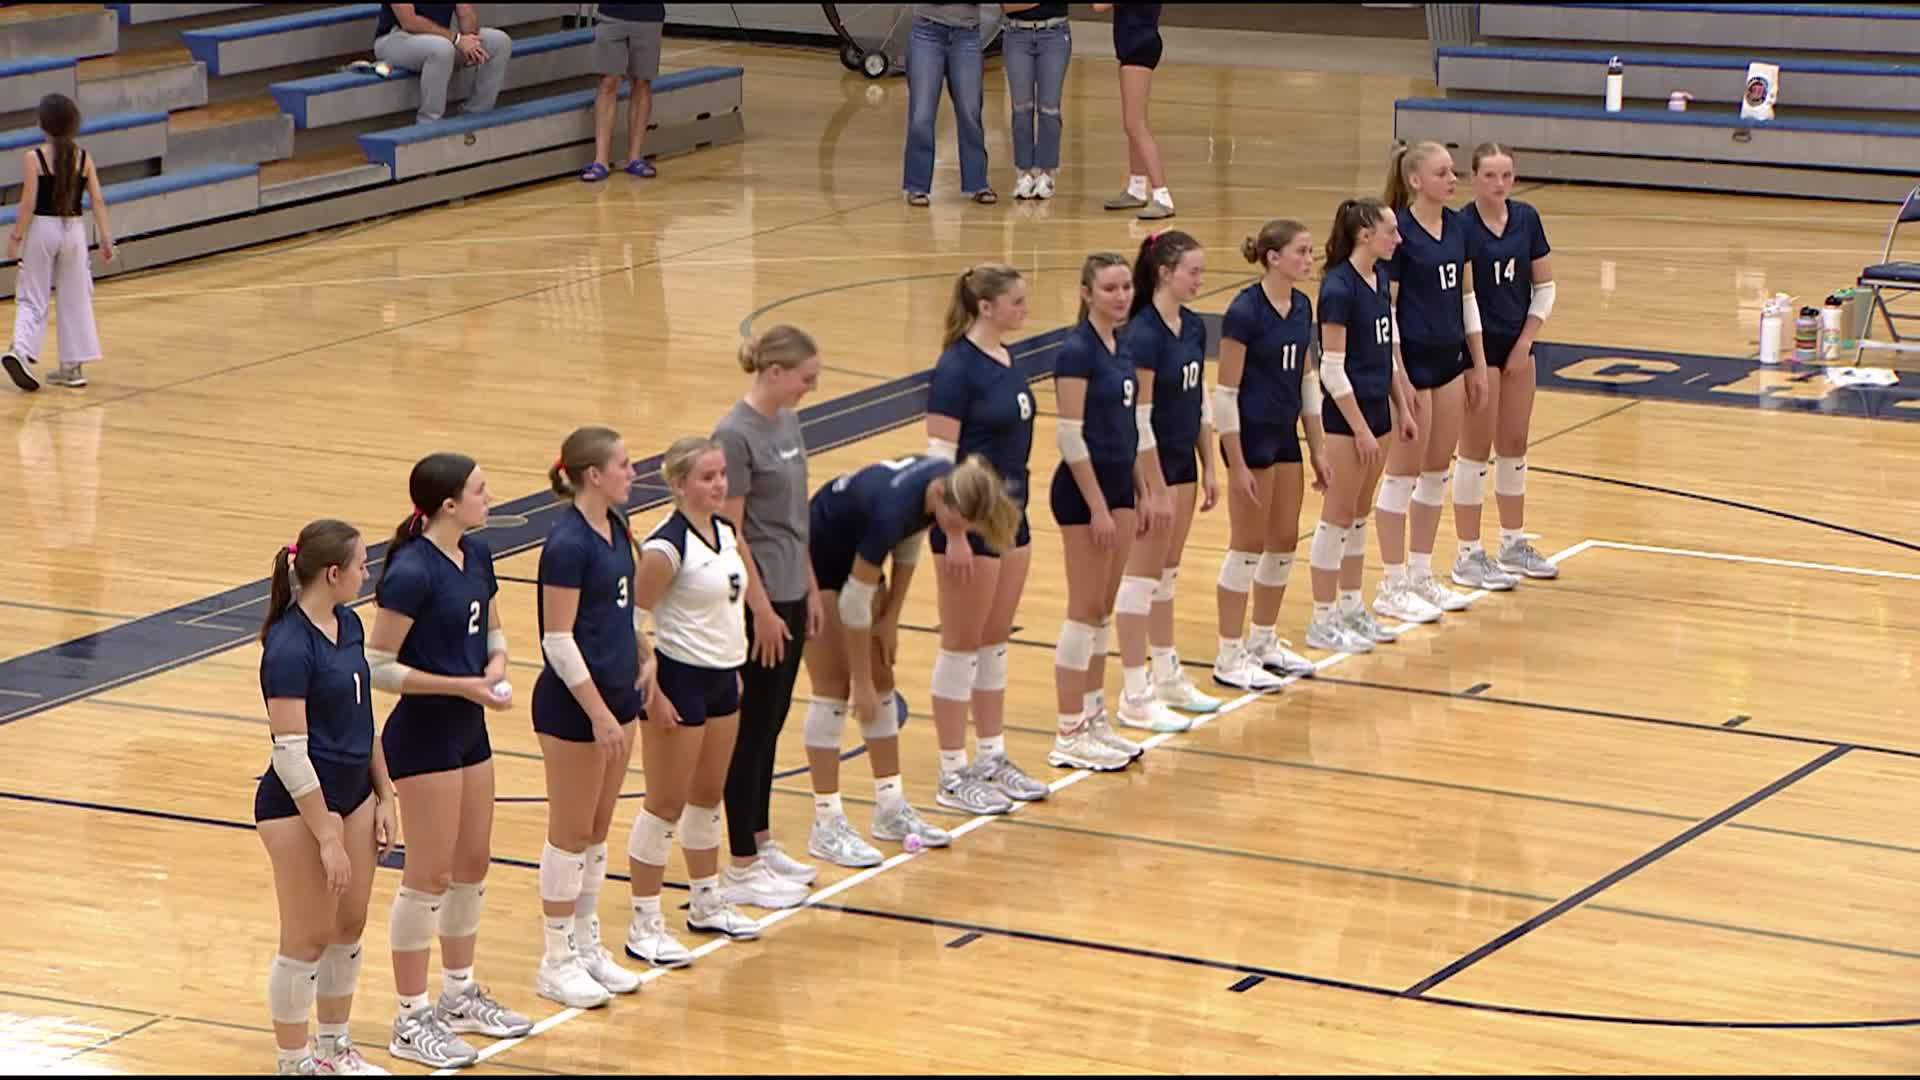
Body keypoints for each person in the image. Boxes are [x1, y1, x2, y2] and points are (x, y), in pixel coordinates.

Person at [368, 452, 529, 1070]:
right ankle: (410, 1018)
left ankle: (459, 993)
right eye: (480, 491)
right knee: (428, 875)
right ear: (448, 504)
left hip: (469, 727)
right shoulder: (411, 572)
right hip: (425, 735)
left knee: (471, 863)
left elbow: (489, 624)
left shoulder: (478, 554)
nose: (490, 498)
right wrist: (457, 685)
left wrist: (495, 664)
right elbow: (379, 665)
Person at [803, 451, 1022, 864]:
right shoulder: (894, 507)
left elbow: (906, 545)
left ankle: (890, 807)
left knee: (885, 677)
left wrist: (890, 619)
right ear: (939, 495)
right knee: (836, 687)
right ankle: (826, 822)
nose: (955, 533)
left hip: (856, 554)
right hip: (815, 558)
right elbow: (853, 604)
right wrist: (861, 683)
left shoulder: (943, 483)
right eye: (954, 524)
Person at [255, 520, 395, 1076]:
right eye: (362, 565)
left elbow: (363, 720)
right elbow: (290, 754)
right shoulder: (288, 647)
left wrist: (385, 793)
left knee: (349, 926)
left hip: (355, 794)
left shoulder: (350, 624)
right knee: (307, 936)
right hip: (299, 808)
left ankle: (335, 1049)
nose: (368, 573)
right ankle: (294, 1062)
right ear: (333, 574)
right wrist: (328, 834)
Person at [623, 437, 763, 967]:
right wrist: (650, 686)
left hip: (722, 679)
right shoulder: (665, 546)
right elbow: (633, 620)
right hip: (677, 681)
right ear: (679, 483)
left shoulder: (726, 531)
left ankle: (706, 900)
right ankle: (644, 921)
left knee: (707, 798)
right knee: (665, 805)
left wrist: (736, 661)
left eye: (722, 475)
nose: (719, 485)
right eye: (707, 477)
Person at [529, 427, 647, 1009]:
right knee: (570, 832)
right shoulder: (567, 544)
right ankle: (555, 959)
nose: (634, 472)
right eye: (624, 464)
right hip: (576, 709)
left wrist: (643, 653)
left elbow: (618, 612)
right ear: (593, 475)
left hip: (619, 700)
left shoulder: (617, 527)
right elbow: (558, 638)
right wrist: (598, 711)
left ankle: (585, 942)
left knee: (597, 832)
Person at [926, 263, 1048, 813]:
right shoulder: (956, 369)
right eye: (1017, 302)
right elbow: (937, 464)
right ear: (986, 307)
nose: (1025, 309)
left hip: (1012, 516)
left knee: (994, 638)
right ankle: (952, 771)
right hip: (970, 524)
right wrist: (951, 532)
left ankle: (991, 755)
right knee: (961, 643)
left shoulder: (1005, 356)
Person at [713, 326, 824, 904]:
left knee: (773, 720)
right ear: (774, 372)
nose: (811, 387)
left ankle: (759, 835)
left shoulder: (788, 420)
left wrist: (806, 587)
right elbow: (732, 529)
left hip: (788, 586)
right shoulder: (735, 435)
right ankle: (739, 863)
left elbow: (796, 512)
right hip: (758, 597)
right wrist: (760, 606)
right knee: (750, 727)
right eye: (805, 378)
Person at [1372, 139, 1492, 625]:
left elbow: (1467, 297)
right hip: (1412, 363)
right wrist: (1396, 374)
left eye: (1453, 172)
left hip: (1449, 359)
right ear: (1416, 180)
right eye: (1443, 172)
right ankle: (1392, 581)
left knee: (1436, 468)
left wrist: (1478, 362)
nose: (1453, 179)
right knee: (1401, 472)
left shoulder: (1459, 226)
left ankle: (1421, 573)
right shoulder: (1398, 234)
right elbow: (1389, 309)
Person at [1046, 252, 1149, 772]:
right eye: (1110, 288)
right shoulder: (1076, 351)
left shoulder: (1121, 346)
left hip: (1118, 485)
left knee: (1102, 613)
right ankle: (1068, 729)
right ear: (1087, 293)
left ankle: (1093, 715)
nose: (1122, 295)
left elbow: (1125, 429)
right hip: (1083, 493)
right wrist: (1098, 507)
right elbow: (1069, 434)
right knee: (1083, 610)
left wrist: (1138, 489)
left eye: (1127, 286)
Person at [1211, 220, 1324, 690]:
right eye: (1301, 251)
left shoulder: (1301, 305)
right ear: (1273, 257)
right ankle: (1228, 653)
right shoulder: (1244, 311)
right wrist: (1236, 463)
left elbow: (1307, 379)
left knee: (1282, 540)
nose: (1308, 259)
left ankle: (1263, 640)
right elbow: (1225, 391)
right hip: (1249, 434)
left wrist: (1318, 447)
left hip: (1284, 433)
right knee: (1247, 544)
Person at [1115, 230, 1219, 733]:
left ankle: (1166, 671)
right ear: (1164, 273)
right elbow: (1139, 419)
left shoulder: (1194, 328)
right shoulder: (1143, 335)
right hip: (1147, 470)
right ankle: (1133, 691)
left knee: (1167, 574)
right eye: (1193, 271)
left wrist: (1211, 466)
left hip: (1183, 464)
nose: (1200, 280)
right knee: (1140, 579)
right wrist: (1151, 486)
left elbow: (1198, 401)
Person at [1306, 198, 1418, 653]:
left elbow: (1386, 350)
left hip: (1377, 411)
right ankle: (1322, 617)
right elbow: (1332, 371)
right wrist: (1359, 428)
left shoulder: (1380, 278)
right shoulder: (1337, 288)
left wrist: (1403, 408)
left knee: (1357, 517)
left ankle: (1351, 607)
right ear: (1365, 235)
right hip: (1345, 420)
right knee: (1335, 518)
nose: (1398, 239)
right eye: (1391, 231)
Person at [1458, 142, 1560, 582]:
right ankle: (1467, 551)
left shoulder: (1527, 219)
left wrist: (1525, 343)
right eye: (1490, 176)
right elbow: (1462, 297)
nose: (1499, 185)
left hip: (1518, 345)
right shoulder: (1460, 226)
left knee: (1514, 442)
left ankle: (1513, 543)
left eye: (1506, 176)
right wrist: (1480, 359)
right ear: (1473, 177)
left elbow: (1546, 287)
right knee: (1475, 448)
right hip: (1476, 350)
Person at [3, 93, 112, 392]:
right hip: (74, 229)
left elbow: (27, 202)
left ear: (43, 124)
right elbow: (98, 201)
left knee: (32, 294)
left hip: (43, 228)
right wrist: (105, 238)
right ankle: (73, 367)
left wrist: (15, 237)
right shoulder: (84, 157)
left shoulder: (34, 158)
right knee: (76, 296)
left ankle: (21, 350)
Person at [902, 4, 994, 206]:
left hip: (967, 34)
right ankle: (917, 184)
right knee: (922, 113)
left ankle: (977, 181)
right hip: (927, 31)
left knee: (970, 111)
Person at [1093, 2, 1171, 220]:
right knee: (1132, 124)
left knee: (1135, 125)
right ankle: (1137, 187)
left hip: (1139, 47)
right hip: (1133, 46)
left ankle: (1162, 195)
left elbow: (1098, 6)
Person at [372, 4, 513, 125]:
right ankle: (428, 123)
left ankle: (477, 113)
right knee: (442, 49)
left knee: (499, 41)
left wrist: (470, 39)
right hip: (394, 39)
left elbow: (466, 19)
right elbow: (409, 21)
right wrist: (457, 39)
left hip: (439, 38)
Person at [581, 3, 665, 181]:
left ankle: (634, 157)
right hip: (612, 14)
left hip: (649, 16)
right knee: (608, 81)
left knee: (642, 82)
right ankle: (600, 160)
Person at [1000, 2, 1070, 201]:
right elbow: (1007, 6)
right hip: (1017, 34)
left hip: (1054, 33)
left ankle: (1047, 173)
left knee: (1049, 108)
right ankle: (1025, 172)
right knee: (1021, 107)